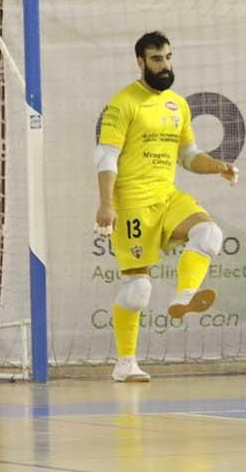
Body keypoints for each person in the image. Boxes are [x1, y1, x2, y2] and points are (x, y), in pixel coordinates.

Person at [94, 31, 238, 382]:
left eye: (168, 58)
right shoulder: (123, 103)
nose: (165, 65)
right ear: (140, 62)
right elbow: (106, 156)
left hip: (167, 196)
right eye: (157, 59)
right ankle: (125, 364)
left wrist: (218, 166)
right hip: (132, 203)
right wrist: (105, 205)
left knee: (208, 233)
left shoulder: (177, 104)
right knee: (137, 289)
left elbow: (188, 156)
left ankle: (186, 295)